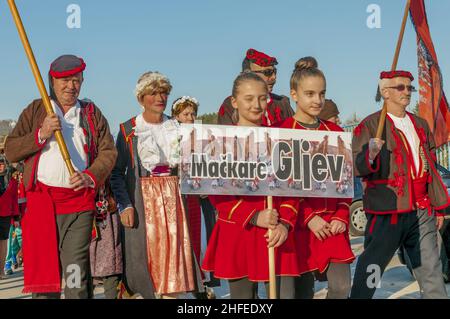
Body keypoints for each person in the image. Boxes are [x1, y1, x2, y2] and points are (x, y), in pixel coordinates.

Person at [5, 55, 117, 298]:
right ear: (52, 82)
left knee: (76, 271)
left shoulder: (90, 112)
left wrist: (91, 175)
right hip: (41, 203)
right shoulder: (36, 109)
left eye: (76, 80)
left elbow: (109, 151)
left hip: (78, 205)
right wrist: (41, 133)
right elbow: (12, 149)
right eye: (65, 80)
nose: (71, 86)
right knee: (45, 275)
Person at [350, 70, 449, 299]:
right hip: (388, 210)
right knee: (373, 267)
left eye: (409, 87)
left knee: (430, 269)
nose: (407, 92)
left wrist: (438, 205)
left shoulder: (420, 124)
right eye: (400, 87)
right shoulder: (370, 125)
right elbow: (357, 166)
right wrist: (370, 155)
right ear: (385, 92)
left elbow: (431, 167)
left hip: (422, 210)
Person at [202, 72, 299, 299]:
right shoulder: (219, 142)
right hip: (239, 231)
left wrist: (285, 222)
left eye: (262, 98)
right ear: (234, 101)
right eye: (249, 98)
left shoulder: (281, 138)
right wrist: (254, 216)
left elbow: (294, 186)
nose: (257, 105)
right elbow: (218, 193)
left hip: (277, 231)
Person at [111, 72, 202, 299]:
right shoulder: (129, 130)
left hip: (174, 204)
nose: (160, 97)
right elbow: (115, 173)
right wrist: (125, 205)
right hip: (143, 204)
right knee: (145, 270)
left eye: (163, 92)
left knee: (174, 270)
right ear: (141, 98)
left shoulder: (177, 128)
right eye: (153, 93)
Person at [275, 57, 355, 299]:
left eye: (322, 94)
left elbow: (345, 182)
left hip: (332, 224)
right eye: (309, 94)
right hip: (297, 224)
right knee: (301, 292)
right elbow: (279, 186)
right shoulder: (281, 131)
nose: (317, 100)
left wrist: (342, 214)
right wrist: (309, 217)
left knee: (341, 287)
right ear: (294, 94)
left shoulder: (336, 133)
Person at [171, 96, 220, 295]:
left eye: (192, 114)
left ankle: (200, 280)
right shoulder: (171, 135)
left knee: (198, 236)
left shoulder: (202, 136)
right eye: (185, 114)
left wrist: (205, 183)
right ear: (176, 116)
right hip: (177, 192)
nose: (190, 117)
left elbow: (210, 161)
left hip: (196, 194)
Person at [218, 48, 294, 126]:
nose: (274, 77)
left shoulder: (282, 103)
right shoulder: (229, 104)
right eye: (268, 73)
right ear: (248, 74)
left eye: (275, 72)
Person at [0, 156, 19, 279]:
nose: (1, 166)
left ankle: (1, 271)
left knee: (3, 245)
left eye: (2, 164)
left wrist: (16, 217)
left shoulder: (12, 181)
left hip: (5, 216)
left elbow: (14, 199)